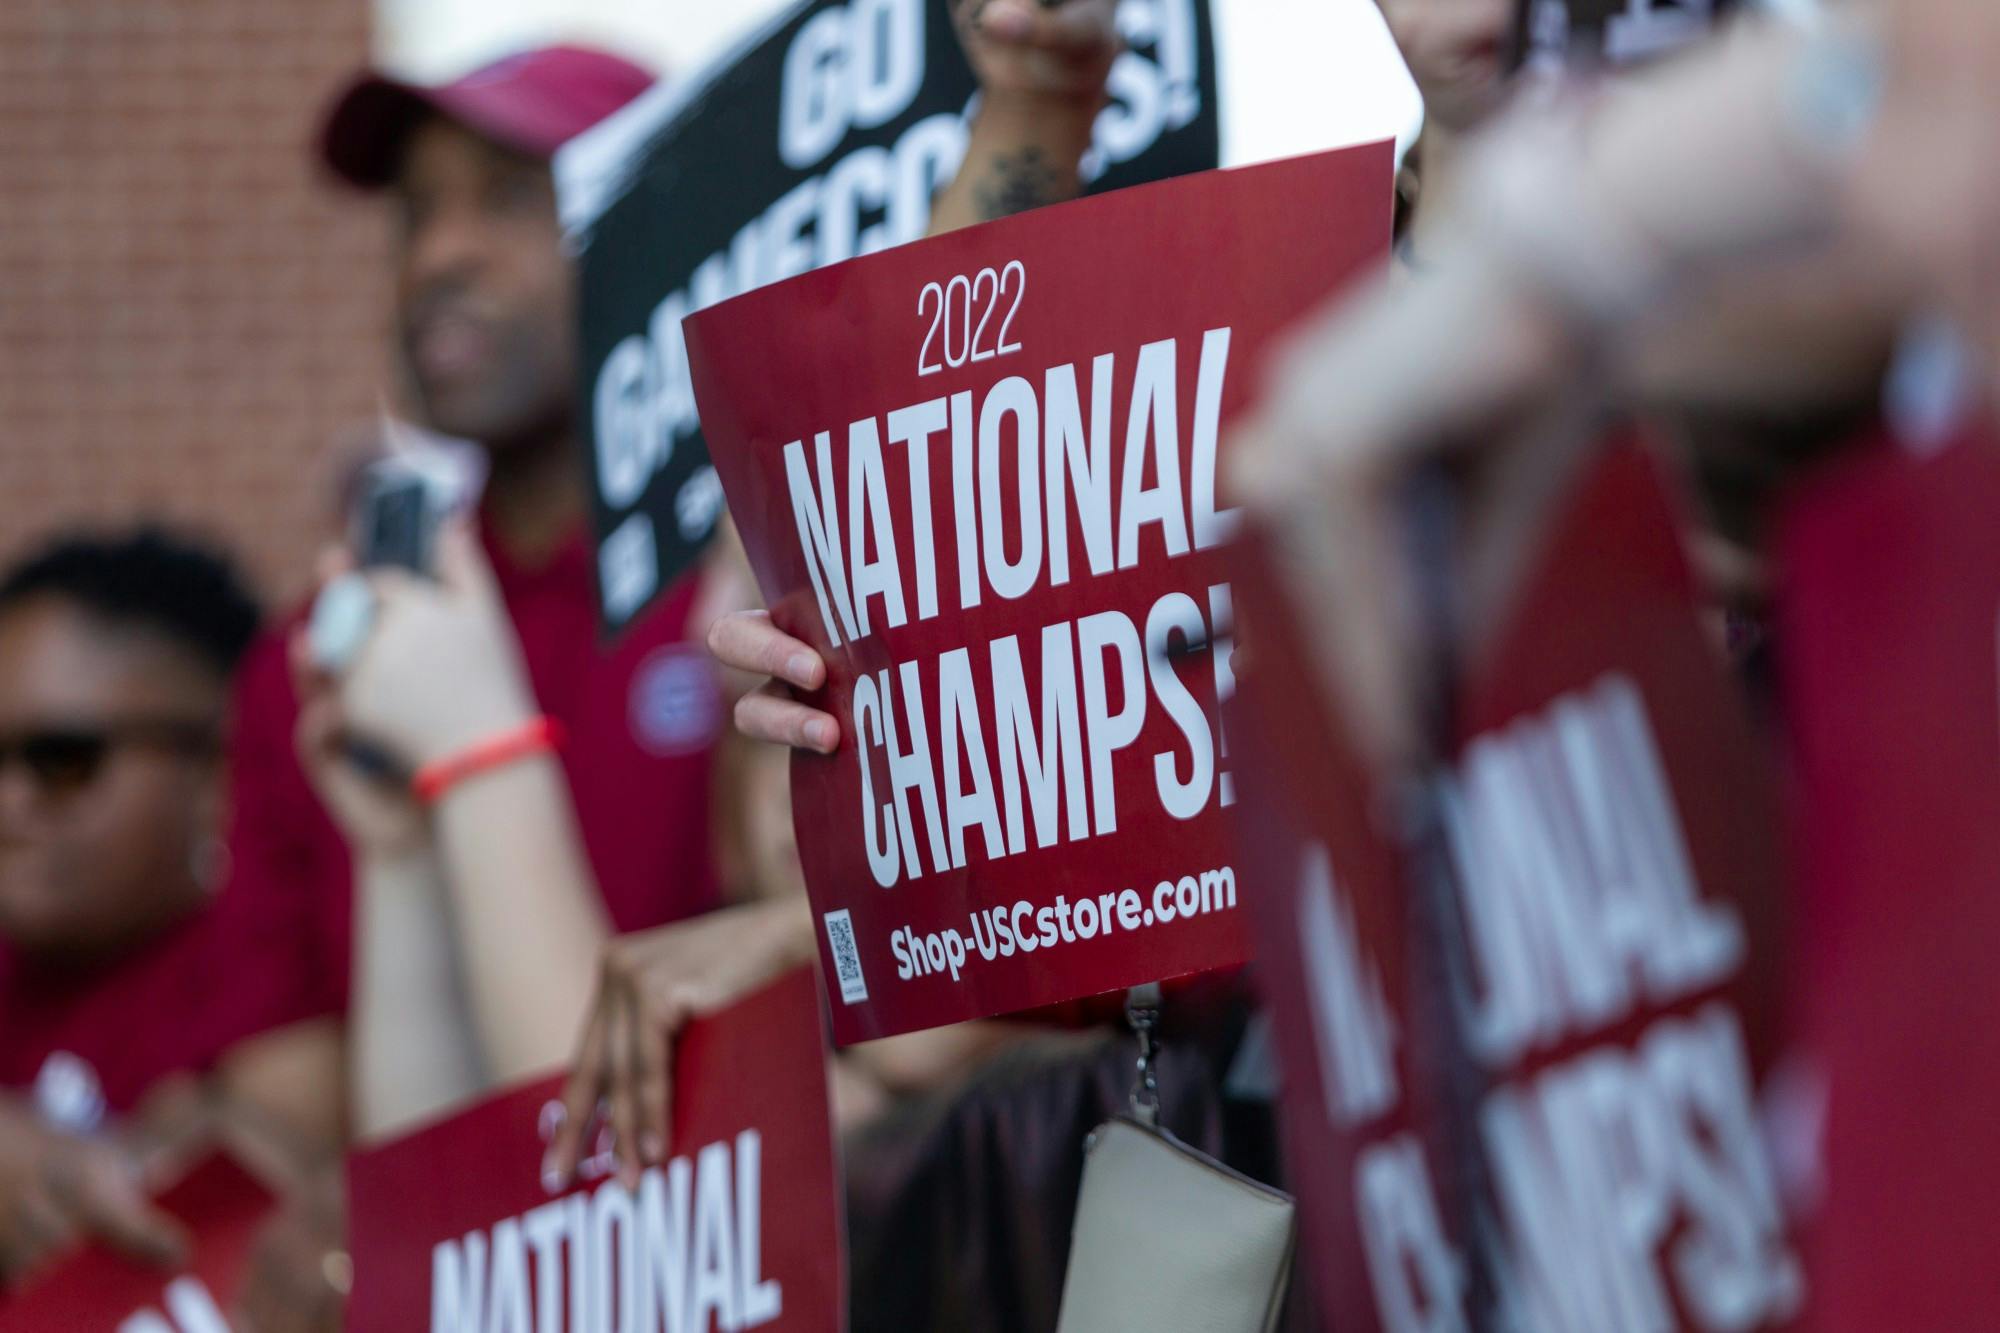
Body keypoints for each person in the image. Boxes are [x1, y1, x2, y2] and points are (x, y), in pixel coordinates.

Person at [224, 46, 739, 1134]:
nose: (438, 257)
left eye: (514, 198)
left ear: (661, 227)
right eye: (414, 213)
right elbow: (298, 1135)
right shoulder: (319, 655)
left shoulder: (760, 590)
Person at [0, 531, 343, 1325]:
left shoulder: (277, 956)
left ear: (218, 768)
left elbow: (280, 1175)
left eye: (62, 757)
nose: (10, 802)